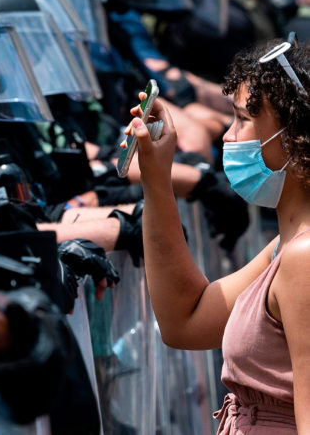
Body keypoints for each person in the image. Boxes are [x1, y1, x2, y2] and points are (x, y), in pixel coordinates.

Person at [129, 40, 310, 432]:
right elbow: (184, 321)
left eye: (242, 119)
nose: (228, 137)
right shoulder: (286, 249)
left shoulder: (305, 257)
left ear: (295, 136)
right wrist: (157, 178)